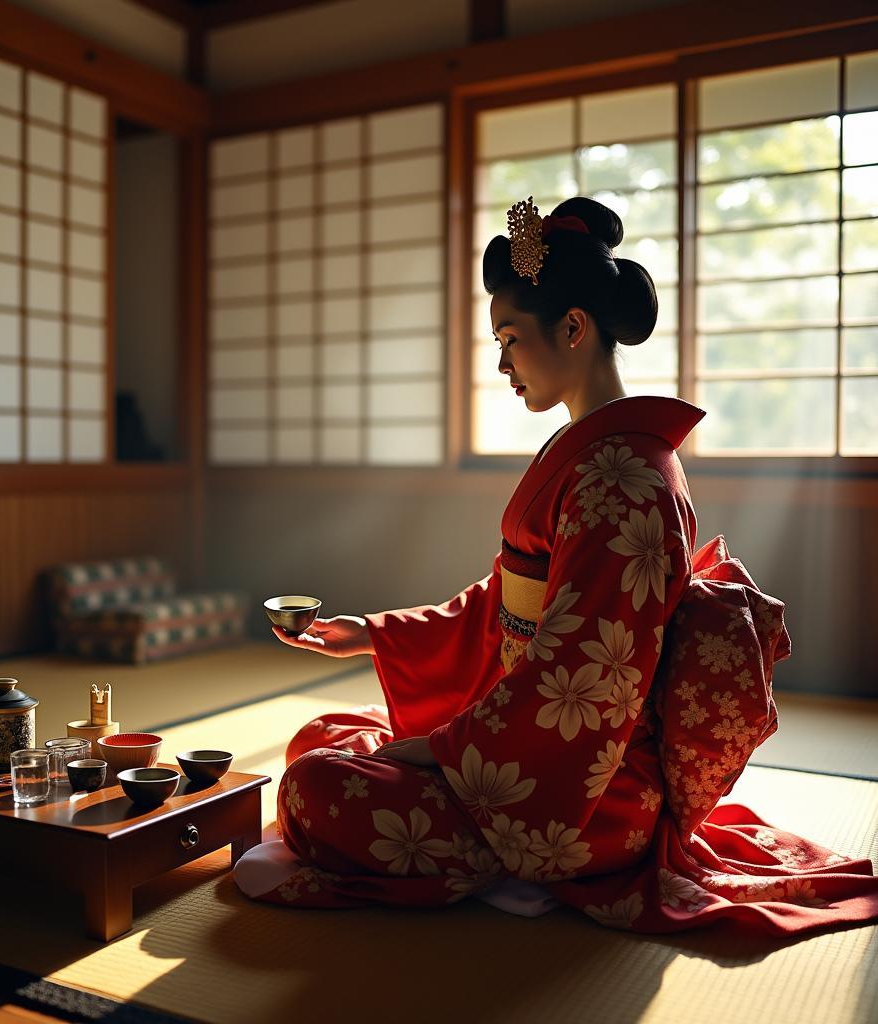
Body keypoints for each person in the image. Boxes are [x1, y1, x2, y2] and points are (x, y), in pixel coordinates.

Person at [234, 196, 878, 936]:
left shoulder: (625, 475)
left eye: (510, 338)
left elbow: (590, 676)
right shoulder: (590, 455)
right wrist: (378, 634)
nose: (503, 363)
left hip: (587, 791)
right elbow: (510, 602)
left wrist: (445, 748)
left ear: (573, 328)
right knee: (323, 737)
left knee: (319, 787)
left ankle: (522, 877)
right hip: (530, 748)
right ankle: (482, 854)